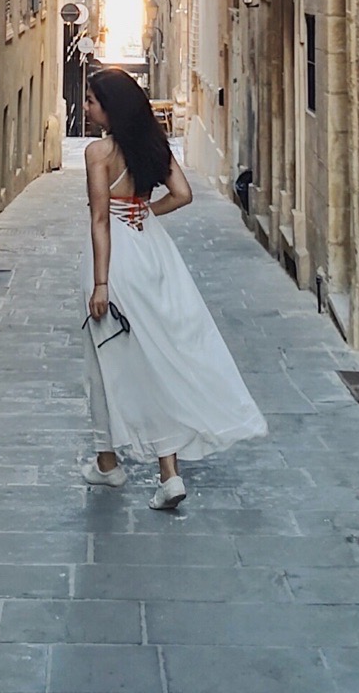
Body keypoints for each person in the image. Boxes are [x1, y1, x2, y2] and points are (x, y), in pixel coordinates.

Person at [80, 67, 266, 510]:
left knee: (107, 355)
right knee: (156, 353)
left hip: (117, 259)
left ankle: (111, 464)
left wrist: (101, 281)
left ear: (110, 108)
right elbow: (182, 194)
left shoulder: (98, 153)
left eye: (91, 101)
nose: (86, 108)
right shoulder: (153, 147)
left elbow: (100, 219)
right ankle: (161, 473)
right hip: (153, 252)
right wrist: (145, 212)